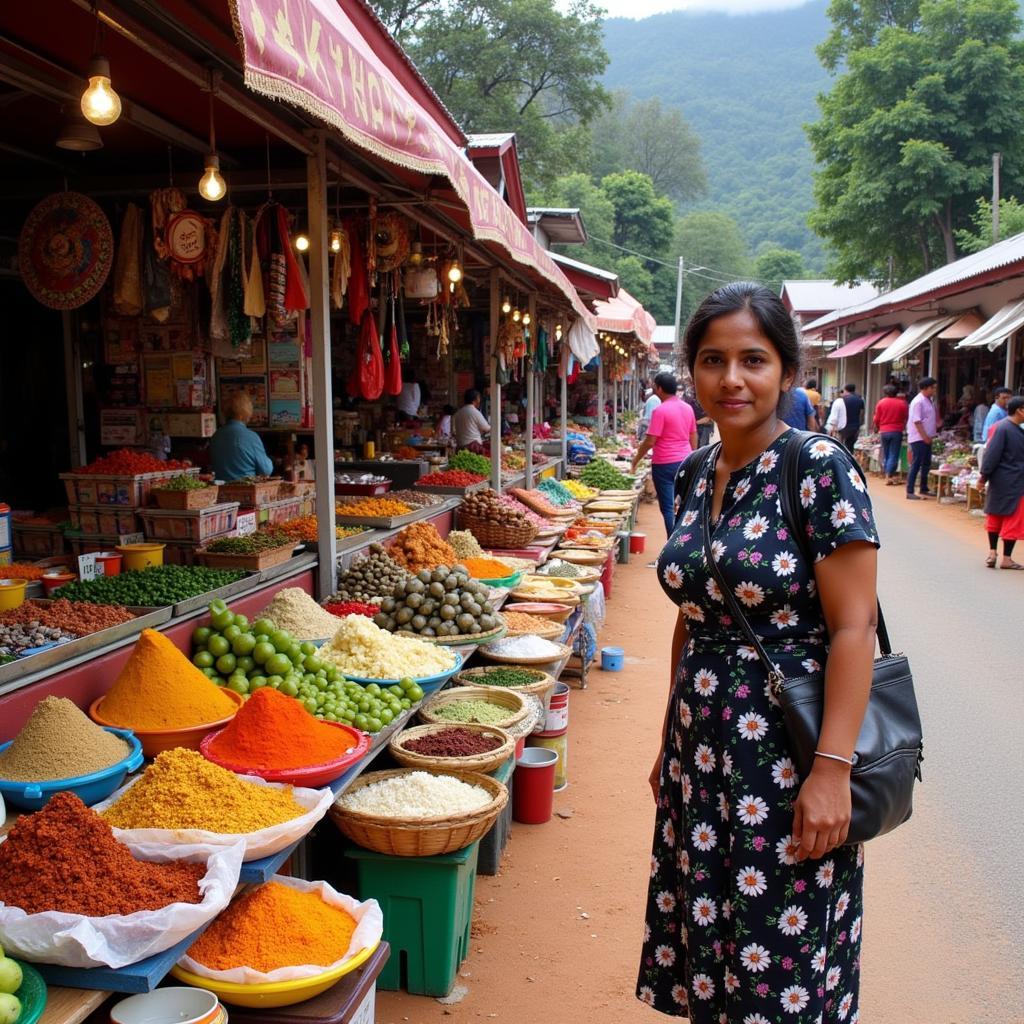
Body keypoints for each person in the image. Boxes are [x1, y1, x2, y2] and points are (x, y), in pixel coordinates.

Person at [637, 282, 878, 1022]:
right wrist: (666, 745)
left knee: (781, 957)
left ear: (787, 372)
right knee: (712, 944)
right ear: (692, 368)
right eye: (713, 360)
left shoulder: (817, 468)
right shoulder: (695, 470)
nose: (731, 379)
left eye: (753, 360)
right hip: (700, 751)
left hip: (784, 752)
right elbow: (694, 613)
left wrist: (832, 773)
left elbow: (853, 629)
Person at [630, 371, 698, 540]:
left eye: (654, 387)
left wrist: (636, 460)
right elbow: (693, 435)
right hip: (685, 461)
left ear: (660, 389)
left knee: (667, 508)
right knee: (683, 505)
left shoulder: (660, 411)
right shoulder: (687, 408)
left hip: (664, 464)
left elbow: (650, 441)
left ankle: (672, 545)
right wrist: (693, 456)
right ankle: (683, 544)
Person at [979, 396, 1024, 569]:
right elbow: (991, 455)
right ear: (1020, 410)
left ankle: (992, 552)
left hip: (1000, 480)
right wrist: (983, 476)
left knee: (995, 515)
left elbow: (991, 455)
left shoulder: (1005, 427)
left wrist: (985, 477)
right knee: (1012, 518)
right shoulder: (1006, 428)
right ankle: (1006, 558)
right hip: (1015, 481)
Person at [209, 391, 274, 482]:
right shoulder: (250, 437)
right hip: (246, 489)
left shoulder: (216, 435)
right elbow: (266, 470)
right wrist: (270, 460)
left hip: (220, 490)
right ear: (244, 414)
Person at [905, 376, 937, 500]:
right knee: (916, 463)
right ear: (925, 388)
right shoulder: (918, 401)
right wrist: (924, 437)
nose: (934, 390)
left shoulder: (928, 400)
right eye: (932, 388)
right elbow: (917, 421)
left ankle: (924, 487)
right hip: (919, 438)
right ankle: (910, 490)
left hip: (926, 437)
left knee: (926, 463)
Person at [873, 384, 909, 485]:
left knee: (886, 452)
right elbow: (906, 417)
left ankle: (888, 474)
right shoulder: (902, 403)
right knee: (894, 454)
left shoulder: (881, 403)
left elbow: (876, 418)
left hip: (884, 430)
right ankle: (889, 475)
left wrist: (876, 426)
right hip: (897, 430)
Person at [839, 383, 865, 451]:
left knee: (841, 444)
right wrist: (860, 424)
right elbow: (862, 414)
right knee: (851, 445)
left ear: (846, 390)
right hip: (854, 425)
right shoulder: (859, 400)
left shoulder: (842, 400)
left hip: (843, 425)